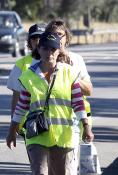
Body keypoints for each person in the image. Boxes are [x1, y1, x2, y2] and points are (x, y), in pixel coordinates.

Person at [6, 32, 94, 175]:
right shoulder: (29, 76)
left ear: (59, 51)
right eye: (45, 48)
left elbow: (78, 103)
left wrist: (86, 126)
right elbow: (22, 106)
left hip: (63, 137)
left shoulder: (69, 73)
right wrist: (12, 131)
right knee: (39, 172)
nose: (49, 53)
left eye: (53, 49)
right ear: (39, 49)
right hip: (37, 135)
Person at [45, 19, 93, 173]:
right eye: (53, 35)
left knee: (68, 169)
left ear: (67, 37)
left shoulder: (76, 60)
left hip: (72, 123)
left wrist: (70, 76)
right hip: (45, 126)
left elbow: (89, 90)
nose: (57, 38)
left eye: (60, 34)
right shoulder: (43, 59)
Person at [7, 23, 46, 135]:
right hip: (30, 124)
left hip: (55, 122)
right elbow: (16, 96)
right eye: (34, 38)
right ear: (29, 42)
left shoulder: (56, 61)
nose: (37, 41)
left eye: (41, 37)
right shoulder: (21, 64)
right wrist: (13, 125)